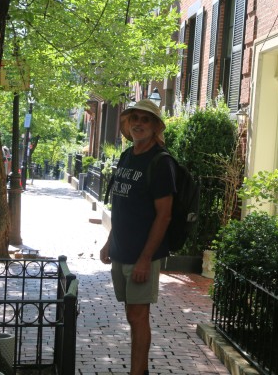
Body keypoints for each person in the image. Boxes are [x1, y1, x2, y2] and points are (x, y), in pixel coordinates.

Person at [100, 99, 176, 375]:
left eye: (146, 119)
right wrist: (109, 241)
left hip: (142, 255)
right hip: (121, 250)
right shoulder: (127, 156)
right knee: (131, 314)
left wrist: (145, 259)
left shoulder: (161, 162)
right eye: (135, 118)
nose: (139, 124)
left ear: (155, 127)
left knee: (138, 315)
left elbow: (164, 216)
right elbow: (122, 205)